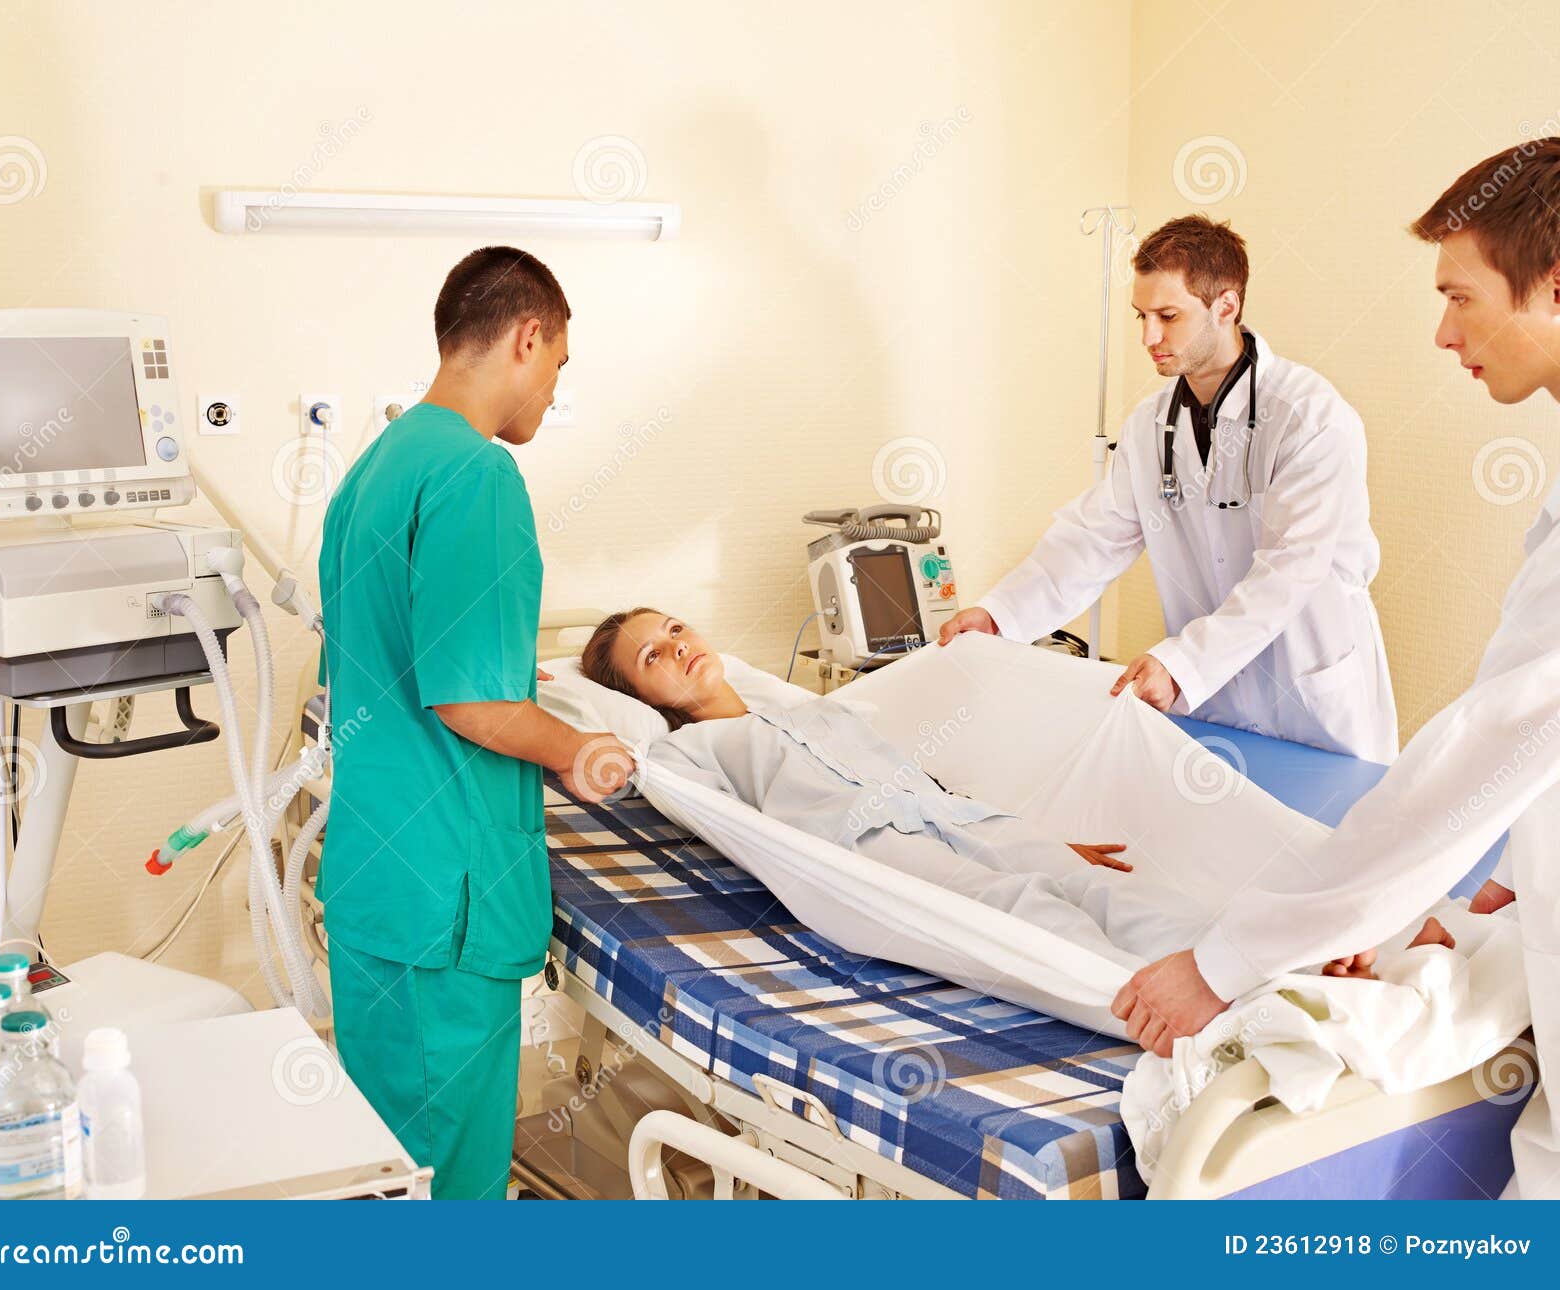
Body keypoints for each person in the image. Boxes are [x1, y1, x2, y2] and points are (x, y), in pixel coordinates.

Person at [1112, 139, 1560, 1200]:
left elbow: (1488, 745)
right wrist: (1492, 888)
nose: (1443, 331)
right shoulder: (1149, 427)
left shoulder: (1309, 412)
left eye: (1459, 297)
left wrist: (1225, 964)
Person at [316, 247, 634, 1199]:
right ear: (528, 337)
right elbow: (472, 703)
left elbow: (384, 661)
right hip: (443, 902)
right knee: (449, 1187)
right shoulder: (476, 474)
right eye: (559, 366)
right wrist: (578, 748)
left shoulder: (374, 470)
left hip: (378, 885)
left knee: (389, 1171)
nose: (554, 392)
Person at [940, 215, 1398, 762]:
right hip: (1213, 703)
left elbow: (1292, 566)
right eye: (1142, 316)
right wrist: (1001, 615)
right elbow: (1094, 538)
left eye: (1168, 316)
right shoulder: (1150, 425)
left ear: (1225, 306)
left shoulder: (1309, 416)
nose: (1148, 337)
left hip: (1311, 695)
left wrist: (1184, 663)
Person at [580, 608, 1213, 965]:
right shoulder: (685, 752)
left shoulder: (813, 708)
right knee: (1012, 904)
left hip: (948, 812)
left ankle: (1232, 961)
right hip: (867, 843)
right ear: (640, 698)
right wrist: (592, 736)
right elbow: (665, 793)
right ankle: (1152, 996)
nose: (677, 648)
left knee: (1090, 881)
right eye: (651, 657)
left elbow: (912, 773)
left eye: (675, 630)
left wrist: (1031, 840)